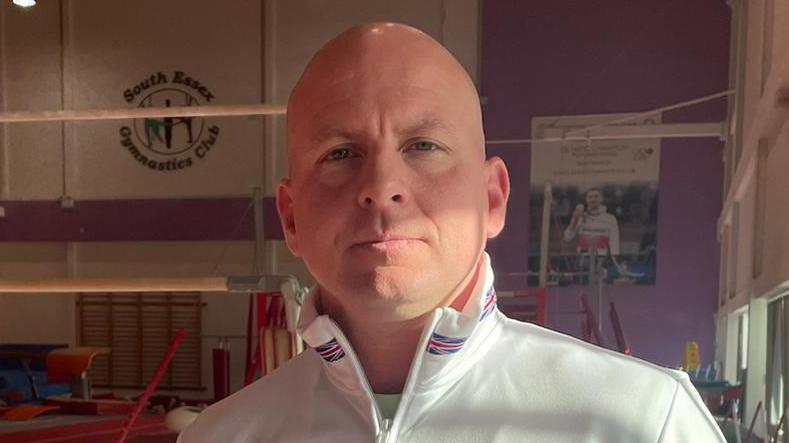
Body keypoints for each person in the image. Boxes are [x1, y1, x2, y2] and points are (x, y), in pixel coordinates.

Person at [178, 23, 725, 442]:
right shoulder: (223, 435)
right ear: (291, 218)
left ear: (491, 198)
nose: (382, 186)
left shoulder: (640, 423)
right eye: (340, 153)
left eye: (423, 146)